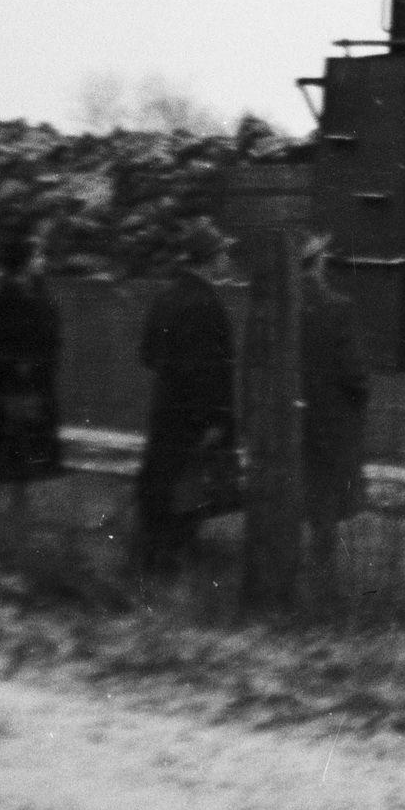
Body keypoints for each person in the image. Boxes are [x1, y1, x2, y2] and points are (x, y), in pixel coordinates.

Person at [134, 220, 238, 575]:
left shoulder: (167, 296)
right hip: (195, 418)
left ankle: (153, 563)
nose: (227, 259)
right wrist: (213, 421)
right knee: (188, 495)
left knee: (163, 487)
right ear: (209, 259)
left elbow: (148, 355)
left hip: (166, 409)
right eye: (223, 253)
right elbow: (207, 371)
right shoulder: (206, 304)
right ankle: (170, 568)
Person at [0, 232, 66, 502]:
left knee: (23, 448)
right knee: (18, 446)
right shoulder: (8, 300)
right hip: (17, 386)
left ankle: (20, 494)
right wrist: (18, 364)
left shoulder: (33, 297)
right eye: (37, 255)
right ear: (25, 262)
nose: (42, 261)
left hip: (25, 382)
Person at [298, 233, 370, 566]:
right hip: (329, 419)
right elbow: (354, 372)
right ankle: (319, 569)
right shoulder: (338, 308)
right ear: (319, 261)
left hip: (292, 417)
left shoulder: (282, 305)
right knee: (325, 499)